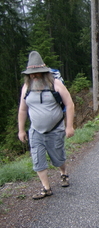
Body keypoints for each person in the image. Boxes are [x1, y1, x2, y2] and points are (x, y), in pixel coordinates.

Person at [18, 51, 75, 200]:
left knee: (58, 158)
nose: (34, 76)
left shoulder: (55, 84)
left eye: (36, 73)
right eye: (31, 74)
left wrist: (69, 126)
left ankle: (63, 173)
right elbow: (23, 109)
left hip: (55, 129)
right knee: (37, 159)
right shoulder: (26, 87)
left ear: (43, 73)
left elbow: (69, 104)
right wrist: (21, 130)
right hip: (35, 131)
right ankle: (46, 188)